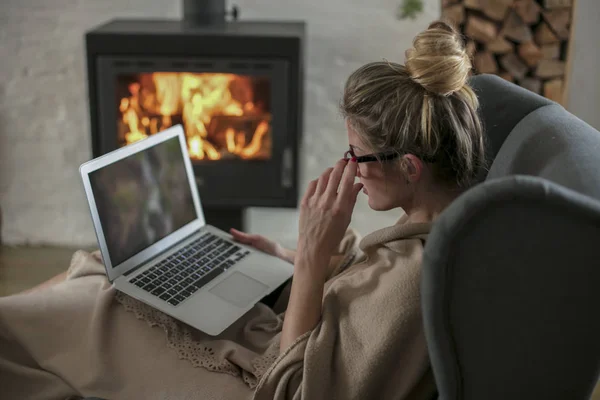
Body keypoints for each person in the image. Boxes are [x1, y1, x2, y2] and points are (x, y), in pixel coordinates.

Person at [0, 20, 485, 400]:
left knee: (87, 302)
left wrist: (313, 258)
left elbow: (292, 391)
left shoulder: (414, 280)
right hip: (276, 339)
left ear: (409, 166)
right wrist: (291, 255)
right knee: (102, 272)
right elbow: (365, 284)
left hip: (255, 380)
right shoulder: (435, 222)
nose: (349, 168)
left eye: (357, 156)